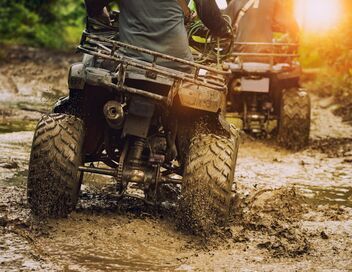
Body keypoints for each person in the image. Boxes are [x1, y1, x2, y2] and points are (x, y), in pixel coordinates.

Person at [84, 0, 229, 72]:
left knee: (89, 61)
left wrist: (103, 16)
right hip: (179, 65)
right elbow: (212, 18)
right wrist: (223, 31)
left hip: (130, 63)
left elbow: (92, 6)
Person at [223, 0, 299, 62]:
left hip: (238, 56)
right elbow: (292, 25)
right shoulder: (273, 2)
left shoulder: (235, 2)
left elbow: (223, 28)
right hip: (264, 57)